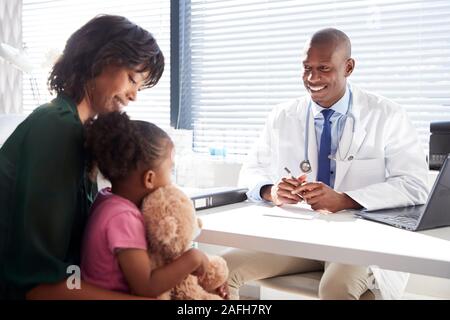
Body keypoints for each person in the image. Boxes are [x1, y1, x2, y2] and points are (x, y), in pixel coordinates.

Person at [223, 28, 429, 300]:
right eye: (306, 68)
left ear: (349, 67)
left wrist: (346, 199)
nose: (312, 78)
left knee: (336, 288)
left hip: (360, 240)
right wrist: (270, 190)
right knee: (218, 271)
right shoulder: (283, 115)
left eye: (323, 68)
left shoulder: (386, 114)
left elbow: (414, 186)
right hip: (299, 236)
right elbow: (251, 171)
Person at [0, 14, 164, 299]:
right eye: (132, 79)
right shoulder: (55, 128)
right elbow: (36, 284)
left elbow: (69, 271)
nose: (134, 95)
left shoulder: (75, 129)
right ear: (100, 60)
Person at [80, 112, 228, 299]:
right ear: (149, 178)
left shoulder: (106, 199)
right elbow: (147, 285)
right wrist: (192, 258)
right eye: (170, 169)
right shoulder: (123, 217)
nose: (170, 178)